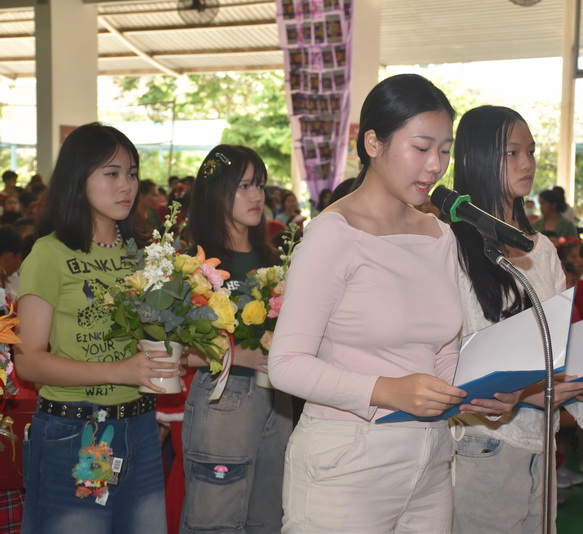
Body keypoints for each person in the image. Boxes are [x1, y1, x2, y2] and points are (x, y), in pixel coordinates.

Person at [268, 74, 511, 533]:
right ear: (373, 143)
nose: (435, 166)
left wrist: (478, 394)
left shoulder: (439, 235)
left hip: (430, 460)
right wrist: (387, 390)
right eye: (421, 148)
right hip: (346, 462)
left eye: (445, 150)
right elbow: (285, 365)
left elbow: (441, 353)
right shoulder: (333, 234)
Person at [447, 105, 583, 533]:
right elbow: (457, 357)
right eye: (512, 152)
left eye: (532, 151)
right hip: (484, 444)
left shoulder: (542, 250)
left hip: (542, 440)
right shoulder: (449, 245)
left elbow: (556, 348)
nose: (527, 163)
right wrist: (527, 394)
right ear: (474, 158)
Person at [15, 122, 176, 533]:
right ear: (78, 177)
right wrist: (119, 371)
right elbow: (28, 362)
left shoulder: (144, 254)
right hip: (75, 432)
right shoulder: (49, 254)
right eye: (111, 173)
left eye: (132, 173)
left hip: (140, 427)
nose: (126, 185)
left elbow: (157, 339)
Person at [181, 145, 293, 533]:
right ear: (217, 192)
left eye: (259, 185)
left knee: (269, 519)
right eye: (244, 186)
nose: (257, 195)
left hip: (278, 401)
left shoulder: (273, 258)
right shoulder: (196, 263)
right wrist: (236, 355)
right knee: (215, 520)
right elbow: (173, 350)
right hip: (222, 399)